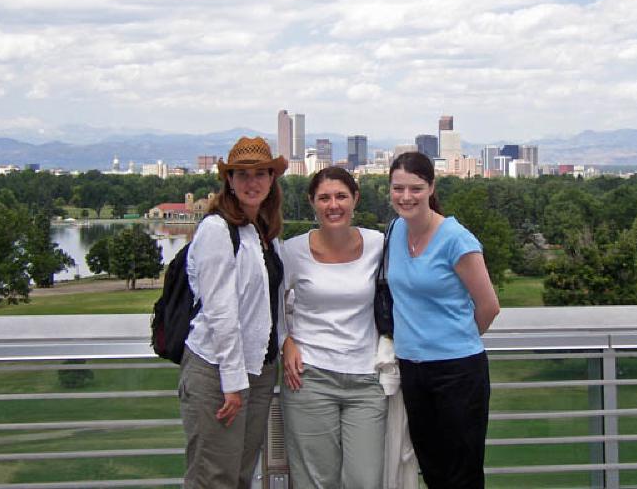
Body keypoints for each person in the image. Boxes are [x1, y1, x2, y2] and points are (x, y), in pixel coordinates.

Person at [178, 136, 287, 489]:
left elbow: (266, 306)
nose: (252, 183)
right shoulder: (216, 229)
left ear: (272, 179)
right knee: (214, 477)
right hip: (218, 371)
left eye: (260, 174)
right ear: (229, 180)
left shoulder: (260, 231)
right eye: (242, 174)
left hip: (257, 369)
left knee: (240, 474)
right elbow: (220, 314)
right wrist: (233, 383)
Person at [387, 151, 500, 489]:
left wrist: (454, 339)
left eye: (415, 188)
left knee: (461, 474)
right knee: (432, 470)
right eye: (398, 188)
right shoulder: (395, 231)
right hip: (412, 369)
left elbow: (489, 306)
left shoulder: (456, 239)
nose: (406, 197)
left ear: (431, 187)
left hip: (457, 372)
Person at [280, 166, 387, 489]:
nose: (333, 205)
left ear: (355, 199)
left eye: (341, 196)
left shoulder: (379, 244)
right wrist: (286, 342)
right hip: (309, 378)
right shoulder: (293, 251)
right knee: (314, 481)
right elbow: (270, 304)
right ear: (312, 202)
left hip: (366, 379)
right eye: (324, 198)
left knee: (365, 481)